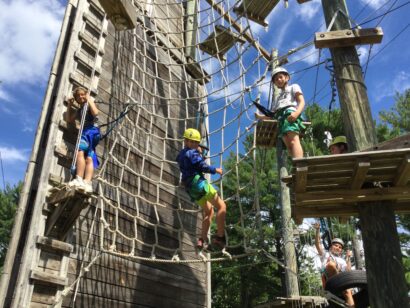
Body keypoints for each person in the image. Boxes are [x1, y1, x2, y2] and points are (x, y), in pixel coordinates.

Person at [176, 128, 227, 250]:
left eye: (196, 143)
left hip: (191, 189)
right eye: (192, 142)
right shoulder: (193, 153)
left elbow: (190, 166)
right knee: (222, 206)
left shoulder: (181, 155)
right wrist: (216, 170)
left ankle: (202, 239)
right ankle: (220, 237)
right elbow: (201, 166)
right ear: (186, 141)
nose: (195, 145)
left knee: (209, 211)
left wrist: (198, 154)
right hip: (199, 184)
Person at [66, 87, 100, 193]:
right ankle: (87, 182)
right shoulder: (80, 110)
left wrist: (89, 99)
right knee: (89, 158)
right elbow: (69, 119)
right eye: (78, 96)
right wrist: (69, 105)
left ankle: (79, 178)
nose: (80, 97)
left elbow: (95, 113)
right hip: (93, 134)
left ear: (86, 95)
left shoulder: (89, 104)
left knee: (80, 152)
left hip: (89, 132)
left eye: (82, 94)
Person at [313, 223, 354, 306]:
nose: (338, 248)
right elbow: (317, 244)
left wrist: (348, 258)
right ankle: (339, 281)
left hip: (341, 281)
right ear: (331, 246)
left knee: (348, 292)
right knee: (331, 264)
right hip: (329, 280)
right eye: (336, 245)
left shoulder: (342, 261)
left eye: (340, 247)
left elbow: (348, 271)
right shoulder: (325, 254)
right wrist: (317, 230)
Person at [270, 67, 306, 158]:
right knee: (289, 146)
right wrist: (260, 117)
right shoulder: (277, 98)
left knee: (294, 141)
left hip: (289, 113)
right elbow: (272, 115)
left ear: (287, 77)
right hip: (280, 118)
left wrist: (296, 113)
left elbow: (301, 101)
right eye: (276, 79)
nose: (278, 80)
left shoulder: (293, 87)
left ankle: (299, 163)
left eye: (280, 77)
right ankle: (295, 165)